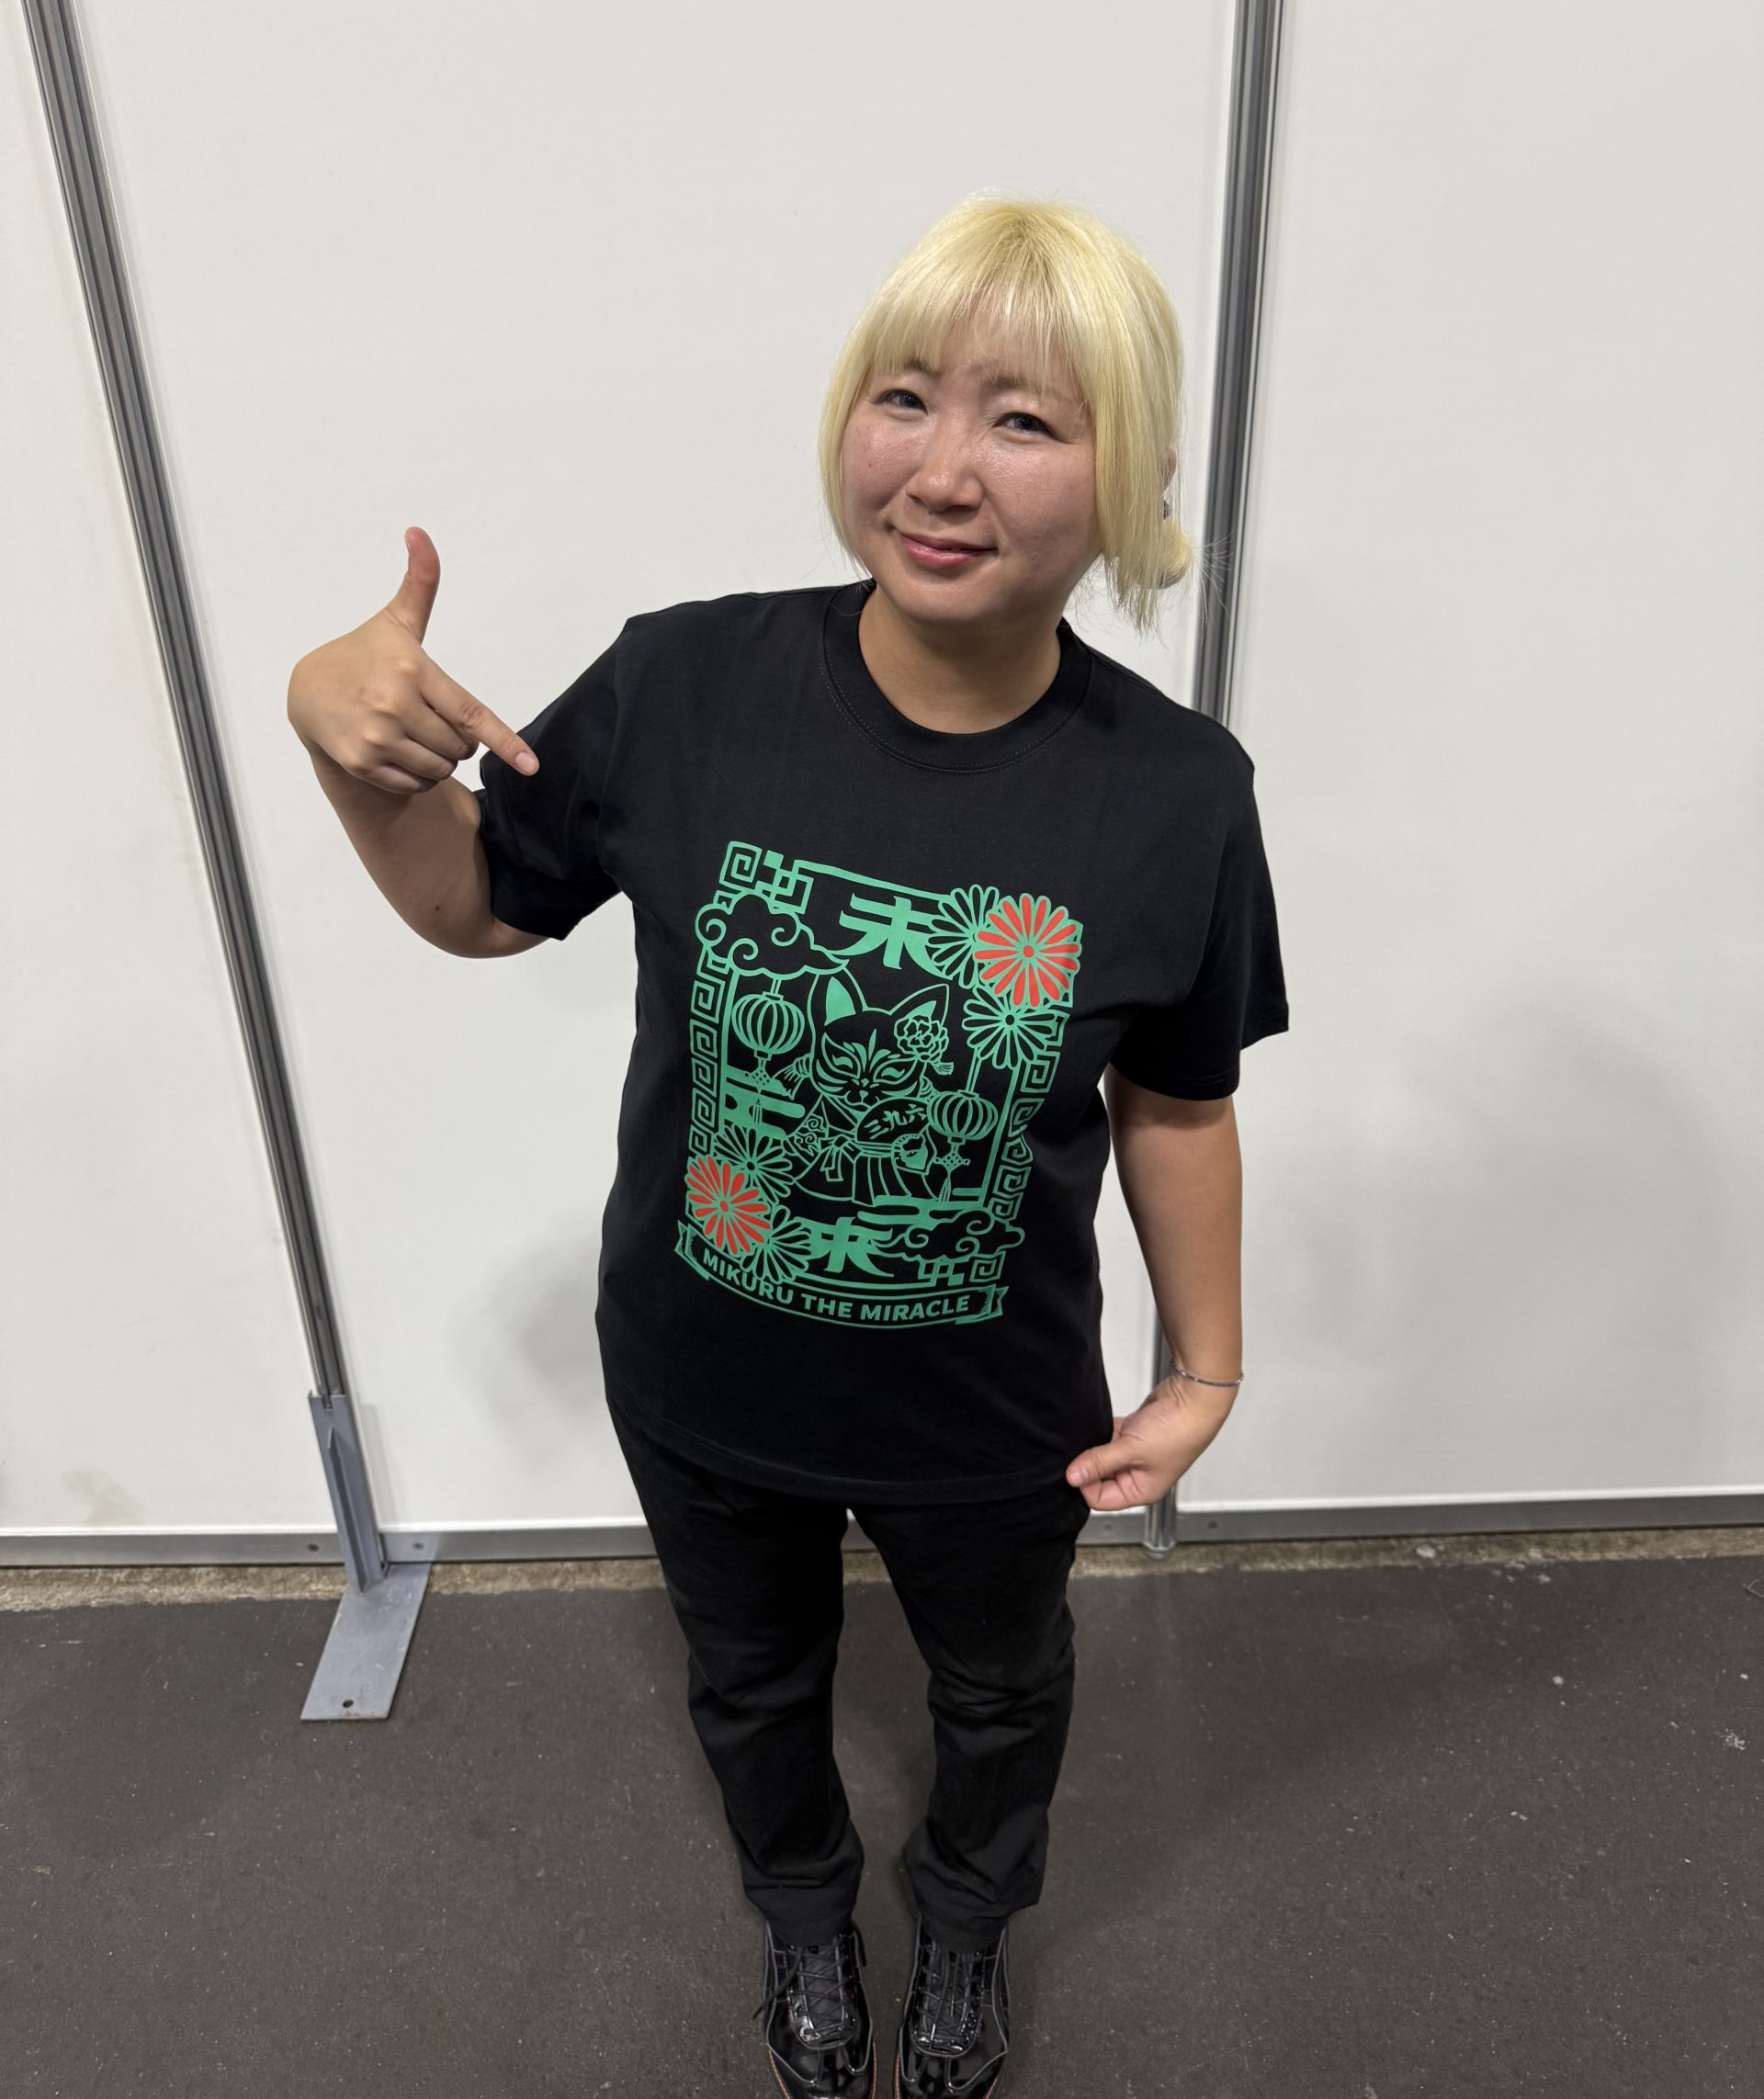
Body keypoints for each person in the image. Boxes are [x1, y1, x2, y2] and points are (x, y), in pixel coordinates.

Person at [287, 195, 1288, 2099]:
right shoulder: (687, 686)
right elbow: (482, 902)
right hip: (702, 1374)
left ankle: (967, 1922)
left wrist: (1206, 1367)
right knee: (750, 1681)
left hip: (994, 1414)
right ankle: (805, 1913)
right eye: (905, 396)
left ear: (1129, 476)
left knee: (1002, 1690)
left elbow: (1178, 1093)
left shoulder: (1175, 793)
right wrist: (345, 749)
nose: (943, 467)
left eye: (1025, 419)